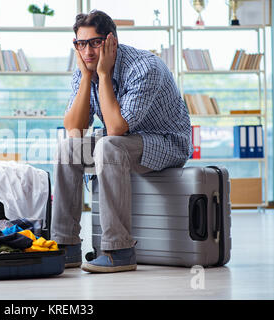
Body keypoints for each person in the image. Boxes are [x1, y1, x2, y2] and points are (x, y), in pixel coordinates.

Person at [50, 10, 192, 273]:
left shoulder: (145, 68)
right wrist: (85, 78)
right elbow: (74, 128)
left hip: (167, 142)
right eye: (81, 44)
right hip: (124, 142)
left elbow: (115, 129)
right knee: (68, 148)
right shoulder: (85, 66)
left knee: (108, 145)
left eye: (95, 42)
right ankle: (66, 246)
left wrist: (103, 75)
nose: (88, 51)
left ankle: (119, 250)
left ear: (111, 40)